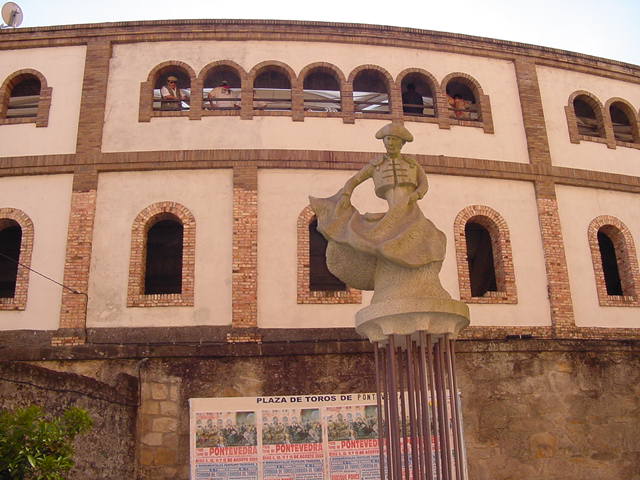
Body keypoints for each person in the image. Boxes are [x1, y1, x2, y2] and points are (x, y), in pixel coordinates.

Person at [309, 123, 449, 305]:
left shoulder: (412, 164)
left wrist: (415, 195)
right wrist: (345, 194)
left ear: (402, 143)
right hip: (394, 210)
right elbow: (354, 180)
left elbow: (424, 184)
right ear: (384, 141)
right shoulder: (376, 165)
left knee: (426, 234)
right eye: (388, 139)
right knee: (381, 236)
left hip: (410, 207)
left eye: (395, 140)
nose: (391, 143)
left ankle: (422, 283)